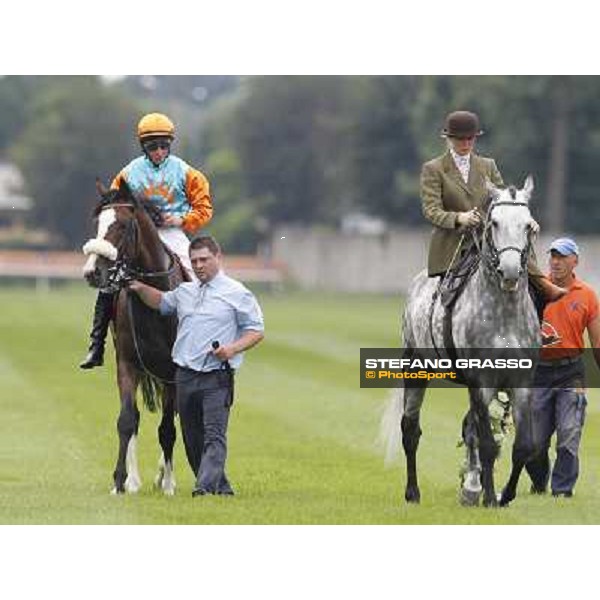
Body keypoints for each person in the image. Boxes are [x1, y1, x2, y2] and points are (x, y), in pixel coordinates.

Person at [128, 235, 265, 497]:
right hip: (185, 377)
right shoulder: (185, 291)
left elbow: (256, 331)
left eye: (204, 259)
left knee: (214, 436)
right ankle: (221, 488)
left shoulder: (237, 292)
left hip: (217, 377)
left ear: (218, 257)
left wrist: (232, 349)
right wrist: (138, 287)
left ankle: (203, 488)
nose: (199, 265)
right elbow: (161, 302)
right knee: (192, 439)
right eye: (194, 261)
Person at [80, 112, 213, 369]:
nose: (159, 151)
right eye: (153, 146)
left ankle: (204, 337)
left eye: (164, 145)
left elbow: (204, 208)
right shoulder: (128, 173)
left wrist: (181, 221)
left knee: (199, 275)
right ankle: (97, 344)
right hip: (136, 234)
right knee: (110, 280)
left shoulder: (187, 172)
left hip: (172, 233)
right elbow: (114, 204)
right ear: (144, 147)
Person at [420, 110, 566, 301]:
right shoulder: (434, 169)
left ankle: (540, 283)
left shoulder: (488, 166)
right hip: (453, 243)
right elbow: (431, 210)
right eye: (459, 139)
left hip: (486, 236)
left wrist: (527, 219)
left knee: (517, 237)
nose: (465, 144)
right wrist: (459, 218)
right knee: (447, 298)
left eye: (470, 139)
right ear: (448, 139)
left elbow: (504, 202)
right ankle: (444, 323)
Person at [525, 237, 600, 498]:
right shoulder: (535, 289)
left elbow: (597, 342)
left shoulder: (587, 295)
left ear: (575, 261)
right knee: (534, 443)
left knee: (569, 434)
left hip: (572, 373)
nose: (556, 262)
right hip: (537, 372)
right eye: (553, 256)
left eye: (562, 257)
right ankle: (538, 482)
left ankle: (562, 491)